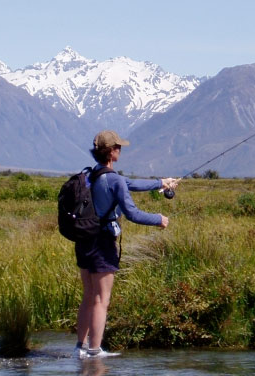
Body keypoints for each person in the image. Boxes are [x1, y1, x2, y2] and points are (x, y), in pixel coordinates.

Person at [74, 130, 178, 358]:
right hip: (102, 243)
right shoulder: (115, 180)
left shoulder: (90, 175)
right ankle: (95, 351)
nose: (120, 150)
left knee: (89, 295)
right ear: (112, 151)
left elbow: (131, 183)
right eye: (118, 147)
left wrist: (162, 183)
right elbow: (132, 213)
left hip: (83, 239)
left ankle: (80, 348)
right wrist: (159, 219)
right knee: (101, 299)